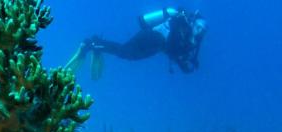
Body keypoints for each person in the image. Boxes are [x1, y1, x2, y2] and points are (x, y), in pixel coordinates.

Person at [66, 8, 207, 79]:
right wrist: (182, 62)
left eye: (203, 31)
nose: (200, 32)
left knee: (124, 52)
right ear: (194, 23)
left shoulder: (190, 39)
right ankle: (89, 45)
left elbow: (174, 51)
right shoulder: (182, 26)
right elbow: (173, 49)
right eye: (199, 27)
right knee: (124, 53)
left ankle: (97, 44)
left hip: (154, 42)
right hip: (153, 38)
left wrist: (184, 64)